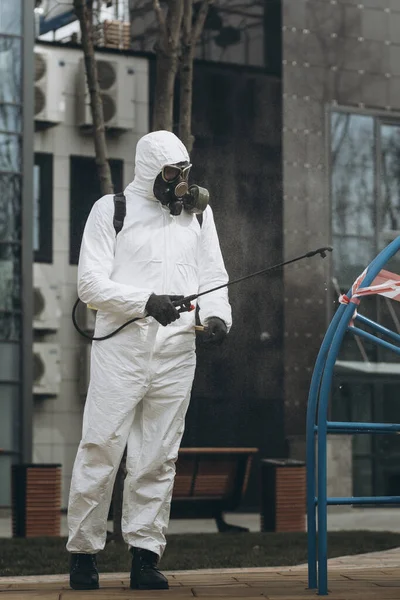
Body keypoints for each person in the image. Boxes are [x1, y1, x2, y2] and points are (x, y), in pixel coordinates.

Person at [67, 130, 232, 591]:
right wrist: (146, 301)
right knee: (101, 447)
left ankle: (144, 555)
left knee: (158, 456)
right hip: (121, 349)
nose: (180, 183)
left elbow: (214, 274)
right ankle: (84, 554)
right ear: (147, 170)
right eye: (171, 174)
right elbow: (90, 285)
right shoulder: (112, 209)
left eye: (184, 173)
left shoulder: (197, 216)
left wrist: (218, 317)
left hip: (177, 351)